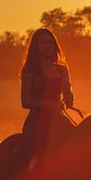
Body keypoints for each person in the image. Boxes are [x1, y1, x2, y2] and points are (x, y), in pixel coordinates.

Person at [20, 28, 74, 171]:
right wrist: (50, 105)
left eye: (50, 42)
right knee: (33, 150)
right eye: (43, 42)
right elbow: (25, 102)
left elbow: (69, 100)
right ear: (36, 47)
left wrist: (67, 91)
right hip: (37, 119)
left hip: (58, 118)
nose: (47, 46)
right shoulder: (29, 70)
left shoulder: (62, 69)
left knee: (78, 142)